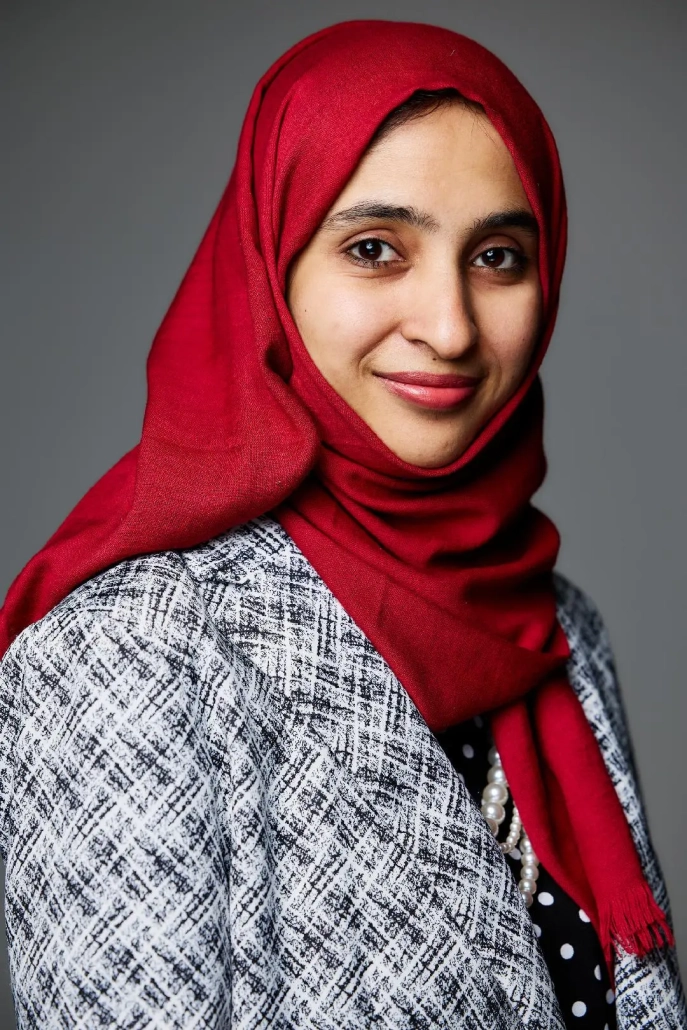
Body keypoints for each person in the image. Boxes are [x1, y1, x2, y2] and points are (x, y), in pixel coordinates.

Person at [0, 19, 684, 1030]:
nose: (450, 327)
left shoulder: (559, 628)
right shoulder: (131, 650)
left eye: (498, 255)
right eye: (375, 249)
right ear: (272, 268)